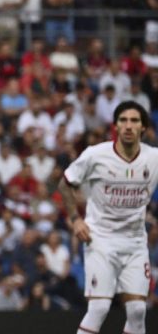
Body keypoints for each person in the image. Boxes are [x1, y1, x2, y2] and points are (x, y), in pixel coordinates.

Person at [58, 100, 156, 334]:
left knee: (137, 311)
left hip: (135, 242)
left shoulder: (153, 158)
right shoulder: (95, 155)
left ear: (144, 127)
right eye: (123, 120)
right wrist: (75, 219)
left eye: (134, 120)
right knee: (99, 308)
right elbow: (65, 184)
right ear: (116, 126)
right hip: (100, 238)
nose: (129, 126)